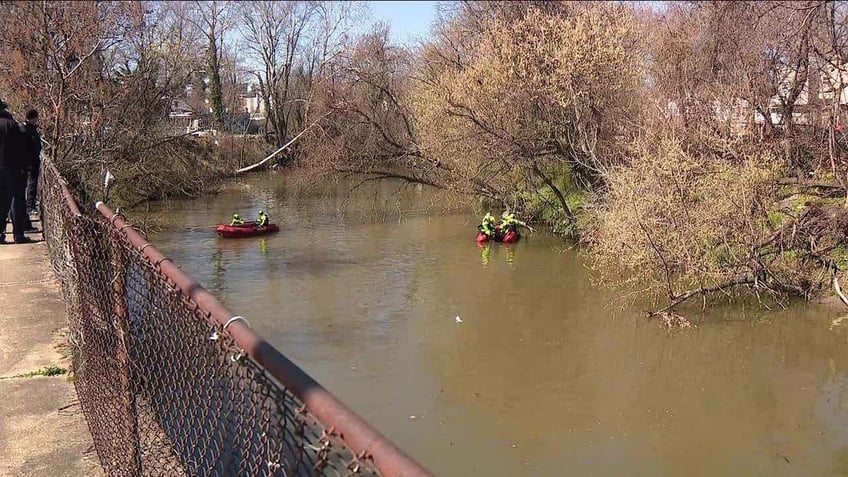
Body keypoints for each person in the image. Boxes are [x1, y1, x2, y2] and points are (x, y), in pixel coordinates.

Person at [0, 99, 31, 244]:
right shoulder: (12, 125)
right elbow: (21, 149)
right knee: (15, 200)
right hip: (12, 168)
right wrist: (23, 167)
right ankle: (18, 234)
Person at [20, 109, 40, 226]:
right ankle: (30, 206)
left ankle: (29, 206)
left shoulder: (24, 129)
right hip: (30, 163)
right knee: (31, 185)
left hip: (27, 163)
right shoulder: (27, 130)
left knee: (29, 185)